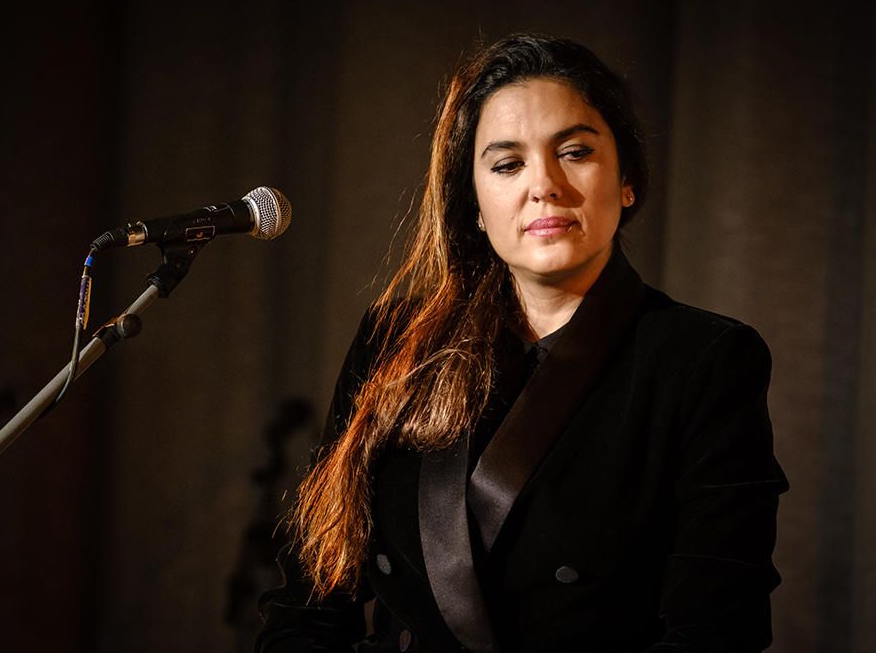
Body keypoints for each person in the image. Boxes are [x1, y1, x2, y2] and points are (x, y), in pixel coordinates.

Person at [256, 33, 787, 652]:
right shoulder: (395, 340)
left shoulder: (704, 358)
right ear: (476, 206)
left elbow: (716, 630)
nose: (545, 185)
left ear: (628, 181)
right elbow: (312, 594)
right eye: (507, 164)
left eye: (576, 152)